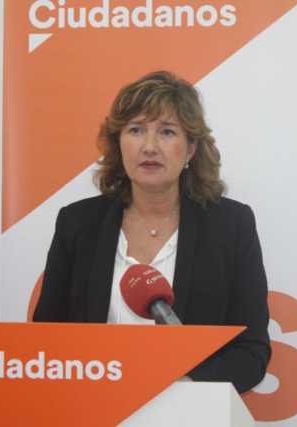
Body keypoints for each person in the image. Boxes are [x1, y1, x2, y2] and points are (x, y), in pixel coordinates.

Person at [33, 71, 271, 393]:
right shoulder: (77, 223)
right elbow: (46, 341)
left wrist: (184, 387)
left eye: (167, 132)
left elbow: (251, 352)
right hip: (90, 406)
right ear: (118, 143)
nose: (149, 146)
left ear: (190, 149)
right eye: (136, 130)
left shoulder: (231, 226)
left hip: (187, 410)